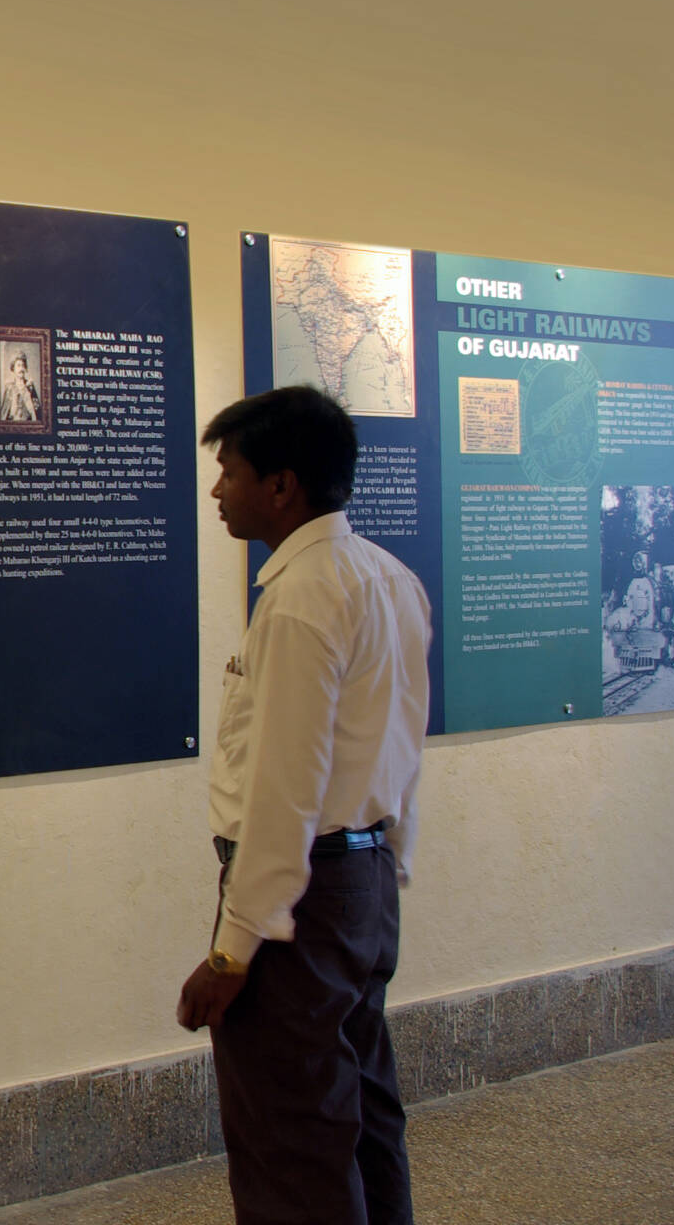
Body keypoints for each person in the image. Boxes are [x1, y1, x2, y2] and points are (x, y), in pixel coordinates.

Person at [177, 385, 430, 1225]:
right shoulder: (387, 578)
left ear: (281, 486)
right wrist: (389, 867)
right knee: (361, 1117)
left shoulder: (299, 597)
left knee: (291, 1138)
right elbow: (405, 746)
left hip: (301, 901)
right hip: (361, 887)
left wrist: (231, 952)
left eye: (231, 472)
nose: (218, 491)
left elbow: (286, 787)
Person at [0, 351, 41, 423]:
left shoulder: (30, 386)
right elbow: (4, 413)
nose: (21, 369)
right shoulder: (9, 387)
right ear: (13, 368)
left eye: (23, 365)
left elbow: (37, 411)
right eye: (18, 365)